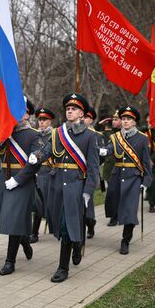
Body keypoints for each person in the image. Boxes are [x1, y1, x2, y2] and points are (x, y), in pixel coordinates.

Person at [30, 93, 100, 282]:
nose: (70, 111)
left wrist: (88, 190)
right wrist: (36, 156)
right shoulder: (58, 133)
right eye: (68, 108)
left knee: (66, 225)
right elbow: (47, 151)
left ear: (81, 113)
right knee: (60, 224)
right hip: (56, 184)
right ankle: (77, 243)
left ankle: (63, 267)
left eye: (74, 109)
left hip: (76, 184)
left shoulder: (89, 136)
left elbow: (93, 167)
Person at [0, 99, 41, 276]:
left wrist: (19, 179)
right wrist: (2, 135)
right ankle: (24, 242)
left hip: (21, 182)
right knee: (8, 219)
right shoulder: (5, 132)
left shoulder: (33, 135)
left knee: (13, 220)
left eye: (19, 111)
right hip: (4, 180)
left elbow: (35, 163)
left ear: (27, 114)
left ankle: (10, 261)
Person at [100, 106, 152, 255]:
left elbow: (146, 162)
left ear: (134, 122)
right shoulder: (115, 137)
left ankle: (125, 240)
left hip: (133, 177)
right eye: (123, 119)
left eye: (128, 119)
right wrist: (104, 151)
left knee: (129, 210)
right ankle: (114, 218)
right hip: (116, 175)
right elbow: (110, 149)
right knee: (111, 201)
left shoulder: (142, 138)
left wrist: (146, 181)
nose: (125, 121)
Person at [30, 107, 56, 243]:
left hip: (48, 172)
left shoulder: (54, 135)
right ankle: (34, 233)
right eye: (40, 119)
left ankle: (55, 227)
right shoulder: (34, 134)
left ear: (50, 121)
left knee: (50, 204)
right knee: (35, 205)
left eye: (44, 119)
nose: (41, 122)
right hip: (34, 172)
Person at [82, 106, 104, 239]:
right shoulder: (74, 133)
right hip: (76, 172)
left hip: (90, 173)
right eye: (83, 116)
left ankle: (90, 224)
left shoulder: (97, 136)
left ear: (92, 120)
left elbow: (101, 156)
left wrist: (92, 167)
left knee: (88, 203)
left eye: (88, 118)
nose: (84, 119)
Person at [103, 110, 121, 226]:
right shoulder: (108, 133)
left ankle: (118, 215)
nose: (114, 122)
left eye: (116, 119)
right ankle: (114, 215)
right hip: (110, 168)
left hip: (121, 167)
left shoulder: (125, 134)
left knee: (119, 192)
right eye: (113, 120)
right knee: (112, 193)